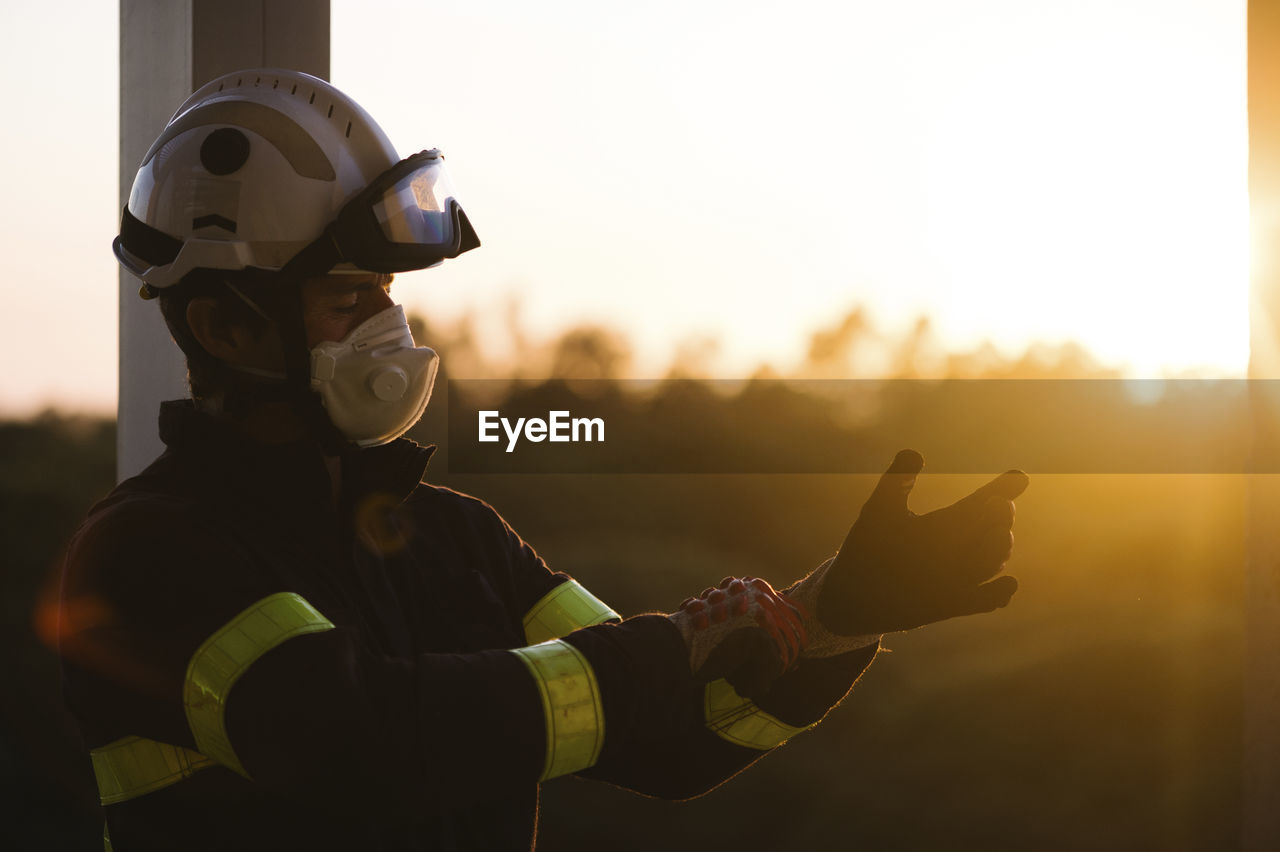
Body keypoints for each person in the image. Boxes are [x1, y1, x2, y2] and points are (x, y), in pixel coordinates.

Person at [58, 69, 1027, 851]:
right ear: (227, 325)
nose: (388, 329)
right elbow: (353, 745)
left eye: (387, 293)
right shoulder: (145, 557)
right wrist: (655, 653)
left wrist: (831, 619)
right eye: (346, 299)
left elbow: (671, 739)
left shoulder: (458, 542)